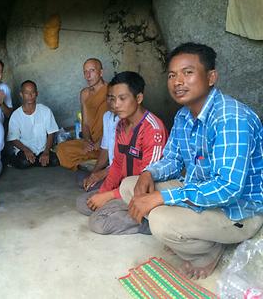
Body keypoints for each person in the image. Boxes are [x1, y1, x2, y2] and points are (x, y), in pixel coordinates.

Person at [122, 42, 263, 279]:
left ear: (211, 77)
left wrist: (163, 197)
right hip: (201, 191)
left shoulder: (231, 118)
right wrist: (149, 173)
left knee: (160, 221)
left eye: (188, 72)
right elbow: (173, 159)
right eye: (172, 75)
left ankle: (206, 251)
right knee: (130, 185)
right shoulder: (183, 116)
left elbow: (228, 189)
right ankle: (192, 235)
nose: (178, 81)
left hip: (238, 211)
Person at [76, 71, 168, 235]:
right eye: (112, 98)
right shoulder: (121, 125)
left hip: (143, 191)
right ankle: (122, 208)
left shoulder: (152, 129)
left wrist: (109, 196)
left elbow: (147, 180)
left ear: (138, 98)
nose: (115, 105)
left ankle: (149, 224)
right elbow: (117, 165)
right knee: (83, 202)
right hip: (125, 188)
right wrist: (104, 191)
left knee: (99, 222)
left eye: (122, 98)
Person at [56, 58, 109, 170]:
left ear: (101, 72)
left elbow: (117, 123)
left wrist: (101, 141)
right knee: (61, 148)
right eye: (85, 72)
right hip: (93, 143)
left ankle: (96, 161)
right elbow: (85, 124)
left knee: (113, 148)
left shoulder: (111, 91)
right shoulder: (84, 94)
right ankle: (99, 162)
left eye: (92, 70)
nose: (88, 75)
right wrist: (86, 141)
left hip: (108, 141)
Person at [7, 80, 59, 169]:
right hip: (24, 150)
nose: (30, 96)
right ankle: (17, 160)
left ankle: (36, 160)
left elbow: (51, 133)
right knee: (24, 162)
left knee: (55, 161)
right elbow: (13, 139)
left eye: (33, 92)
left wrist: (46, 151)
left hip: (42, 149)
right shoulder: (16, 115)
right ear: (21, 94)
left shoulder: (45, 111)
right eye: (26, 93)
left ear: (37, 93)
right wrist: (26, 150)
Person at [76, 91, 120, 192]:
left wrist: (104, 173)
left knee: (87, 196)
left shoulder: (128, 121)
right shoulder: (107, 116)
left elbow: (128, 162)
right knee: (81, 178)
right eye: (109, 97)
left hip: (125, 172)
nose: (111, 101)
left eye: (119, 98)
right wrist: (94, 174)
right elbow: (105, 150)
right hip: (112, 166)